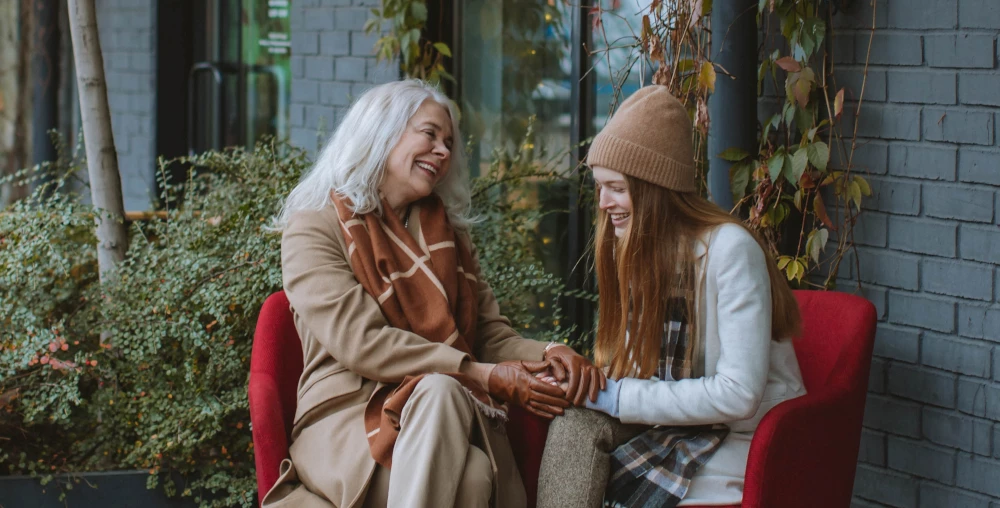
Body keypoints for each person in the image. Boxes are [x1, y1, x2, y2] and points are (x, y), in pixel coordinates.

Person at [263, 79, 604, 508]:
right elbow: (362, 342)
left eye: (449, 143)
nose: (442, 151)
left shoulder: (451, 239)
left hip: (439, 420)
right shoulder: (314, 227)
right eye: (429, 134)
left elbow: (490, 336)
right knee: (468, 463)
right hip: (346, 424)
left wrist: (552, 351)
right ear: (381, 132)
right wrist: (478, 374)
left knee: (457, 430)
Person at [535, 85, 806, 508]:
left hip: (745, 437)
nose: (603, 202)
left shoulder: (731, 251)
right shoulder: (637, 248)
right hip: (676, 423)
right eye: (600, 187)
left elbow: (739, 393)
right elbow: (636, 369)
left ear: (653, 189)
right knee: (574, 423)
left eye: (616, 188)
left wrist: (614, 396)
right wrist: (582, 384)